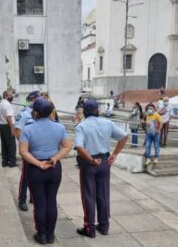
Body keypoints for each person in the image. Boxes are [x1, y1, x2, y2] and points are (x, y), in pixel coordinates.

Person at [19, 97, 72, 244]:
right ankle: (50, 235)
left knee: (40, 203)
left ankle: (41, 235)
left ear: (35, 113)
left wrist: (38, 163)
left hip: (36, 170)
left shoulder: (28, 129)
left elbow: (23, 152)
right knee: (51, 202)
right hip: (54, 168)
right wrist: (55, 157)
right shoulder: (59, 127)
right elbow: (67, 146)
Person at [74, 100, 128, 238]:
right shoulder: (107, 123)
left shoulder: (81, 126)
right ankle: (104, 226)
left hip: (89, 163)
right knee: (103, 195)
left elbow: (79, 147)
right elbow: (124, 136)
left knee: (88, 195)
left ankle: (89, 228)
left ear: (84, 112)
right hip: (104, 161)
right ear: (97, 111)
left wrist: (91, 160)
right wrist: (115, 154)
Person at [15, 90, 40, 212]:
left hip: (38, 149)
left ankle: (33, 197)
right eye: (37, 99)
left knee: (36, 175)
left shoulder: (40, 113)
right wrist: (25, 147)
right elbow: (17, 131)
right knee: (25, 176)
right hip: (28, 149)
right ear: (31, 100)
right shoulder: (24, 113)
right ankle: (22, 200)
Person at [0, 90, 17, 167]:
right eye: (10, 95)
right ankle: (12, 163)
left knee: (4, 144)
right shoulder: (8, 105)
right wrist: (12, 129)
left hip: (2, 126)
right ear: (5, 96)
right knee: (11, 145)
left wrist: (2, 120)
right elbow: (9, 117)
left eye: (12, 95)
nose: (12, 97)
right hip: (8, 126)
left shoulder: (0, 104)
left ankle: (4, 162)